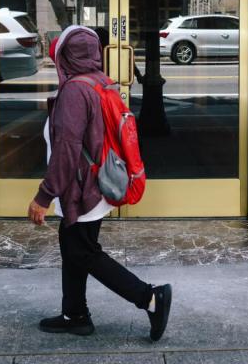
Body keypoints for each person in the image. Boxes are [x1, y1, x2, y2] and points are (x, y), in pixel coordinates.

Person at [29, 25, 172, 340]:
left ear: (67, 56)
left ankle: (149, 297)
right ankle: (75, 314)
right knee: (73, 247)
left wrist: (44, 195)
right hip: (96, 185)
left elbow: (66, 150)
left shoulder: (74, 91)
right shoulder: (100, 81)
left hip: (82, 189)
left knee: (82, 251)